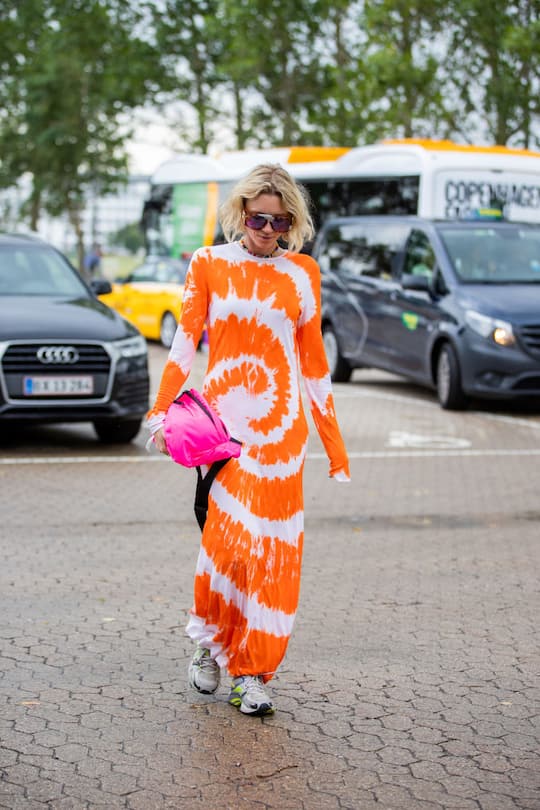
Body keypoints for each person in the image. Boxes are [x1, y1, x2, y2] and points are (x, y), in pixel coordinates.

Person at [147, 164, 350, 717]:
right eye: (259, 217)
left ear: (292, 222)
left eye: (279, 220)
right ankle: (209, 643)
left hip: (283, 436)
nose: (267, 228)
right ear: (241, 214)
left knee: (273, 556)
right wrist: (161, 415)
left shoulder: (304, 273)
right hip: (223, 431)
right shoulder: (209, 263)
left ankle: (253, 672)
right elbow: (184, 345)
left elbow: (314, 364)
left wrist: (334, 443)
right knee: (228, 546)